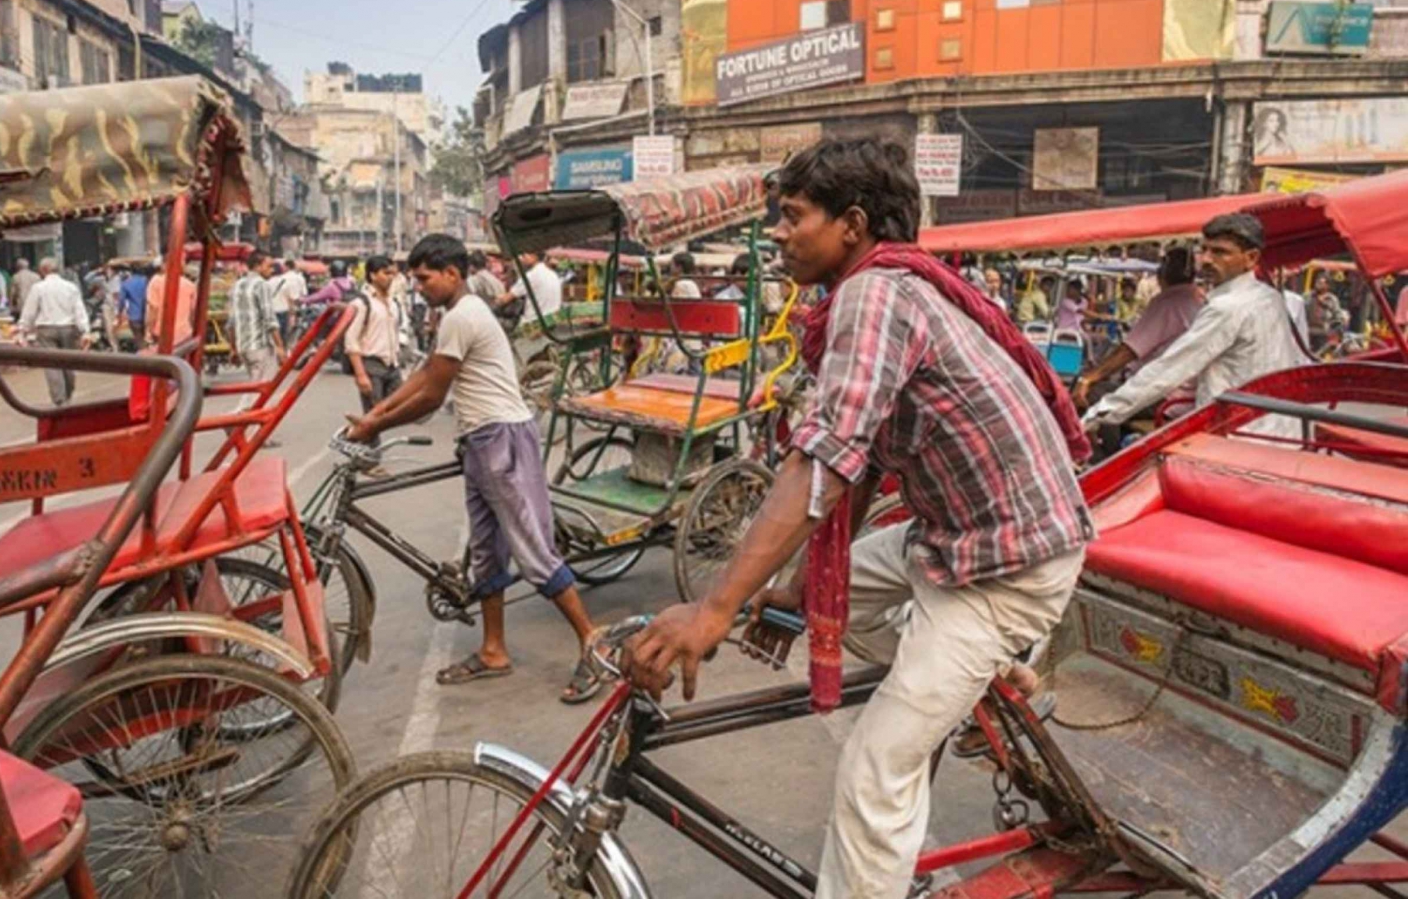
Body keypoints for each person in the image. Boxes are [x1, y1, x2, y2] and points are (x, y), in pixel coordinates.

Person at [627, 139, 1092, 899]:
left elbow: (823, 461)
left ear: (851, 224)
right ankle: (985, 681)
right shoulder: (883, 289)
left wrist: (716, 607)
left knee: (875, 771)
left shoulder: (876, 295)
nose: (778, 232)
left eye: (792, 216)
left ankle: (972, 676)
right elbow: (855, 459)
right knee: (814, 604)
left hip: (1005, 568)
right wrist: (783, 587)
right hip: (950, 541)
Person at [345, 234, 611, 704]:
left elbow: (432, 395)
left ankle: (595, 643)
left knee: (533, 553)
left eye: (425, 278)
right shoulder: (456, 317)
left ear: (452, 273)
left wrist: (375, 426)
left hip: (500, 439)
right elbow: (427, 373)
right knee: (487, 553)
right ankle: (493, 651)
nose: (420, 287)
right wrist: (375, 414)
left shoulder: (464, 315)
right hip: (482, 441)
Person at [1083, 213, 1306, 438]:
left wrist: (1093, 418)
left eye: (1220, 252)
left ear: (1251, 258)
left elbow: (1168, 370)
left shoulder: (1228, 307)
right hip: (1278, 430)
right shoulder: (1270, 297)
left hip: (1238, 433)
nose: (1207, 260)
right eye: (1204, 250)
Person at [1073, 247, 1205, 410]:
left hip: (1162, 394)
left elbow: (1128, 351)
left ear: (1162, 275)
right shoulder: (1198, 300)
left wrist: (1089, 378)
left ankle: (1096, 435)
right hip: (1181, 391)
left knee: (1091, 394)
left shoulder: (1169, 302)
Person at [345, 256, 404, 455]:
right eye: (386, 273)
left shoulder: (393, 303)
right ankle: (370, 459)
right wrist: (360, 373)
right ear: (373, 275)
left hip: (391, 364)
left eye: (392, 274)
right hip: (371, 364)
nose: (390, 278)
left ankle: (352, 434)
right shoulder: (362, 303)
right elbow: (351, 340)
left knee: (394, 407)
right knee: (372, 414)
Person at [18, 257, 91, 405]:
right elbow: (79, 310)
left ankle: (59, 399)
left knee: (52, 365)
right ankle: (68, 393)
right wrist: (86, 331)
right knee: (69, 362)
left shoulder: (38, 288)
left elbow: (29, 312)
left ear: (43, 271)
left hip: (46, 330)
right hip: (69, 329)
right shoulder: (70, 287)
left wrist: (22, 330)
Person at [227, 252, 285, 431]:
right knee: (263, 390)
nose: (271, 269)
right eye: (268, 266)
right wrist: (280, 347)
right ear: (258, 266)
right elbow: (269, 318)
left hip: (244, 345)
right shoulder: (261, 285)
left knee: (254, 387)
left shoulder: (237, 286)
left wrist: (234, 347)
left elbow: (231, 321)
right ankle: (236, 420)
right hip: (259, 345)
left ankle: (242, 424)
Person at [496, 251, 563, 327]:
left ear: (534, 256)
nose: (521, 259)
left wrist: (497, 300)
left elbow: (505, 299)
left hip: (534, 322)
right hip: (551, 321)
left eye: (524, 256)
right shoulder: (553, 274)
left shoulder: (532, 275)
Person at [145, 264, 198, 347]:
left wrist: (149, 331)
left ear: (164, 266)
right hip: (184, 333)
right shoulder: (190, 285)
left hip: (162, 332)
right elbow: (193, 312)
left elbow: (153, 309)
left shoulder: (156, 282)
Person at [270, 258, 306, 343]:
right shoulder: (298, 278)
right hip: (284, 312)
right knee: (284, 337)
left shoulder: (266, 283)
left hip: (271, 312)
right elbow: (295, 297)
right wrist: (293, 313)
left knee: (273, 338)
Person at [1306, 277, 1346, 353]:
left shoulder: (1332, 299)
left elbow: (1337, 315)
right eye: (1317, 283)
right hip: (1308, 331)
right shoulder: (1307, 296)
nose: (1318, 285)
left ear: (1327, 286)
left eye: (1321, 283)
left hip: (1323, 332)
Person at [117, 263, 149, 348]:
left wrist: (119, 314)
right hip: (147, 314)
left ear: (131, 272)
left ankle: (143, 356)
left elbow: (121, 301)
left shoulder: (126, 283)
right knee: (149, 339)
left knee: (138, 338)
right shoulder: (147, 281)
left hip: (134, 316)